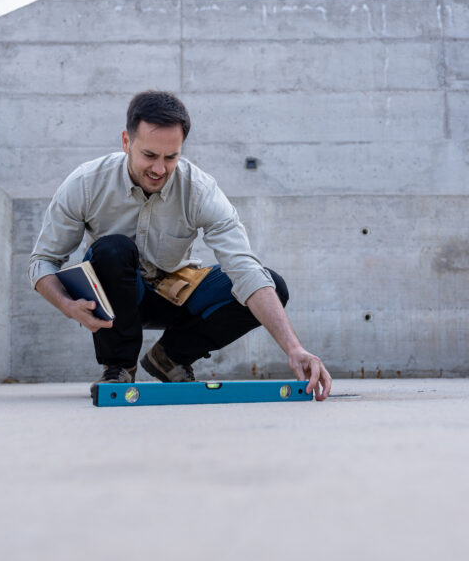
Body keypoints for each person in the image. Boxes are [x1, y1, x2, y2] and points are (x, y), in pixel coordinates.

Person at [28, 90, 332, 400]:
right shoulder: (86, 183)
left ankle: (170, 356)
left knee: (272, 286)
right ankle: (118, 368)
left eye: (170, 157)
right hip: (118, 294)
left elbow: (245, 269)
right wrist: (67, 306)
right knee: (112, 250)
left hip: (175, 291)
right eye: (149, 155)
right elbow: (43, 261)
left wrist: (294, 349)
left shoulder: (199, 190)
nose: (159, 169)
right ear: (126, 142)